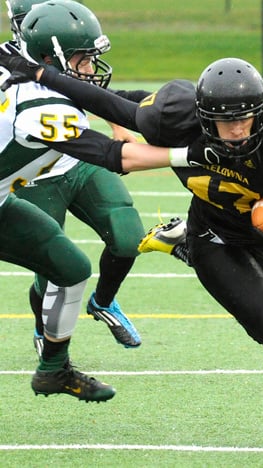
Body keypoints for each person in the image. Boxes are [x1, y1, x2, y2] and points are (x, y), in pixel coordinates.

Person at [4, 53, 263, 456]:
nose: (237, 131)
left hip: (262, 239)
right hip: (215, 239)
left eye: (245, 119)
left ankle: (178, 244)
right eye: (226, 122)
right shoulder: (174, 121)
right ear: (204, 118)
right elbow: (112, 106)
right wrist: (40, 74)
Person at [0, 0, 209, 403]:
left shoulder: (25, 72)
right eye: (83, 59)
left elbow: (111, 104)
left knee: (71, 268)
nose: (91, 69)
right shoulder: (40, 107)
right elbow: (116, 156)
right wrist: (190, 154)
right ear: (48, 57)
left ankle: (53, 370)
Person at [4, 0, 146, 356]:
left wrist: (118, 122)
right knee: (54, 267)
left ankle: (104, 302)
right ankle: (45, 329)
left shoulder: (53, 62)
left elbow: (89, 92)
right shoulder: (16, 72)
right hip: (33, 176)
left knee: (128, 237)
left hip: (77, 161)